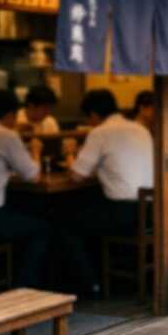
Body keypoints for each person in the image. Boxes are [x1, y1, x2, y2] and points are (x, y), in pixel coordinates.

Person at [62, 89, 154, 296]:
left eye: (88, 117)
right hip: (151, 209)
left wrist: (68, 152)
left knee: (66, 224)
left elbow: (76, 175)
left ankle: (91, 284)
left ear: (93, 114)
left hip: (124, 212)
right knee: (89, 213)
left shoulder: (100, 132)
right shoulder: (140, 129)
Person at [0, 90, 50, 288]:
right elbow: (33, 176)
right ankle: (25, 287)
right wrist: (35, 150)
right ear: (10, 115)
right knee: (43, 228)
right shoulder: (6, 135)